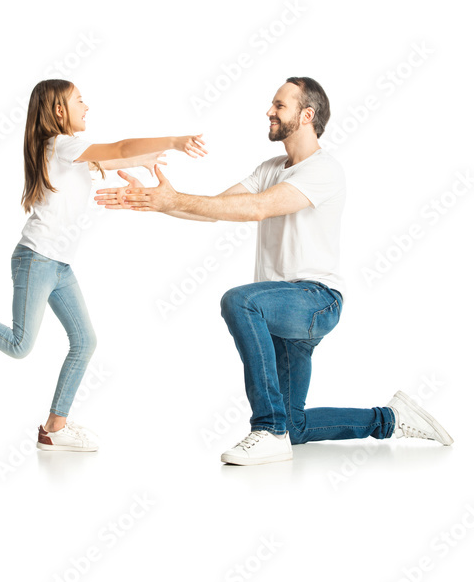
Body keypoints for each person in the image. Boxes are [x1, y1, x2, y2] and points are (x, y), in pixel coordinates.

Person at [95, 76, 453, 465]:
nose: (269, 111)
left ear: (307, 115)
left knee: (239, 302)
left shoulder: (325, 170)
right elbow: (217, 208)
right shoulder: (270, 167)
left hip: (315, 300)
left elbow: (257, 208)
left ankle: (267, 429)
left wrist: (173, 199)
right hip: (279, 308)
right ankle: (392, 419)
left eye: (279, 106)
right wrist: (157, 201)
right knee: (295, 426)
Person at [0, 79, 205, 451]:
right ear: (59, 110)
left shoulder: (66, 150)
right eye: (80, 100)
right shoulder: (61, 144)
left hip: (58, 266)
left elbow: (113, 157)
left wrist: (145, 160)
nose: (87, 107)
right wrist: (172, 141)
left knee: (85, 341)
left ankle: (55, 427)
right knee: (19, 345)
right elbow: (118, 147)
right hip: (36, 259)